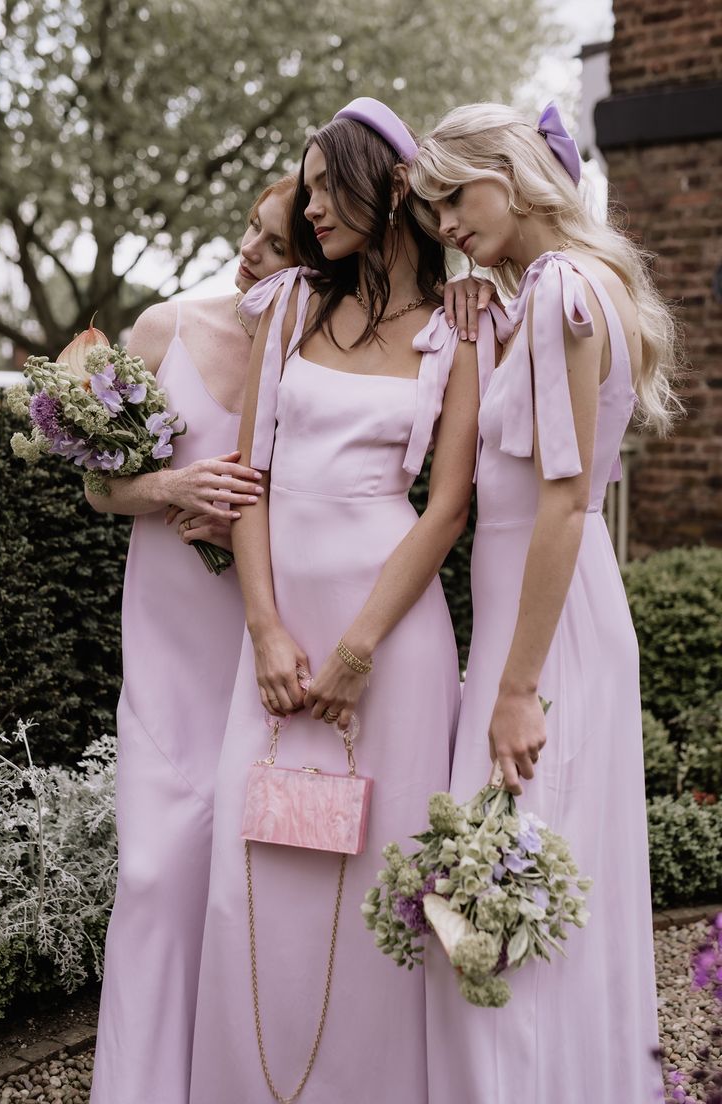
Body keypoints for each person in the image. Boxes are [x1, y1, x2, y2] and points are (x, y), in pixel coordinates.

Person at [188, 98, 503, 1104]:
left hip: (391, 638)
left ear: (388, 187)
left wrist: (360, 650)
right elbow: (251, 479)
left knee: (380, 876)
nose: (310, 206)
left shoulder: (459, 329)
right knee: (256, 873)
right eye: (308, 186)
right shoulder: (286, 306)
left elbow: (446, 506)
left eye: (328, 185)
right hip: (278, 636)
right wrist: (265, 628)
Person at [408, 101, 681, 1104]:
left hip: (546, 637)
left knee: (499, 905)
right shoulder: (553, 291)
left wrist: (516, 688)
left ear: (512, 173)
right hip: (549, 619)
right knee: (513, 900)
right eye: (432, 207)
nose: (444, 225)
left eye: (453, 196)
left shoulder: (565, 290)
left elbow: (564, 505)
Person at [87, 175, 298, 1104]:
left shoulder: (322, 354)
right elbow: (99, 489)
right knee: (149, 874)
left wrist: (256, 525)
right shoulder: (164, 326)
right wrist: (169, 491)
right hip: (167, 648)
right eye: (251, 230)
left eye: (277, 244)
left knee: (241, 892)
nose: (250, 251)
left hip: (262, 647)